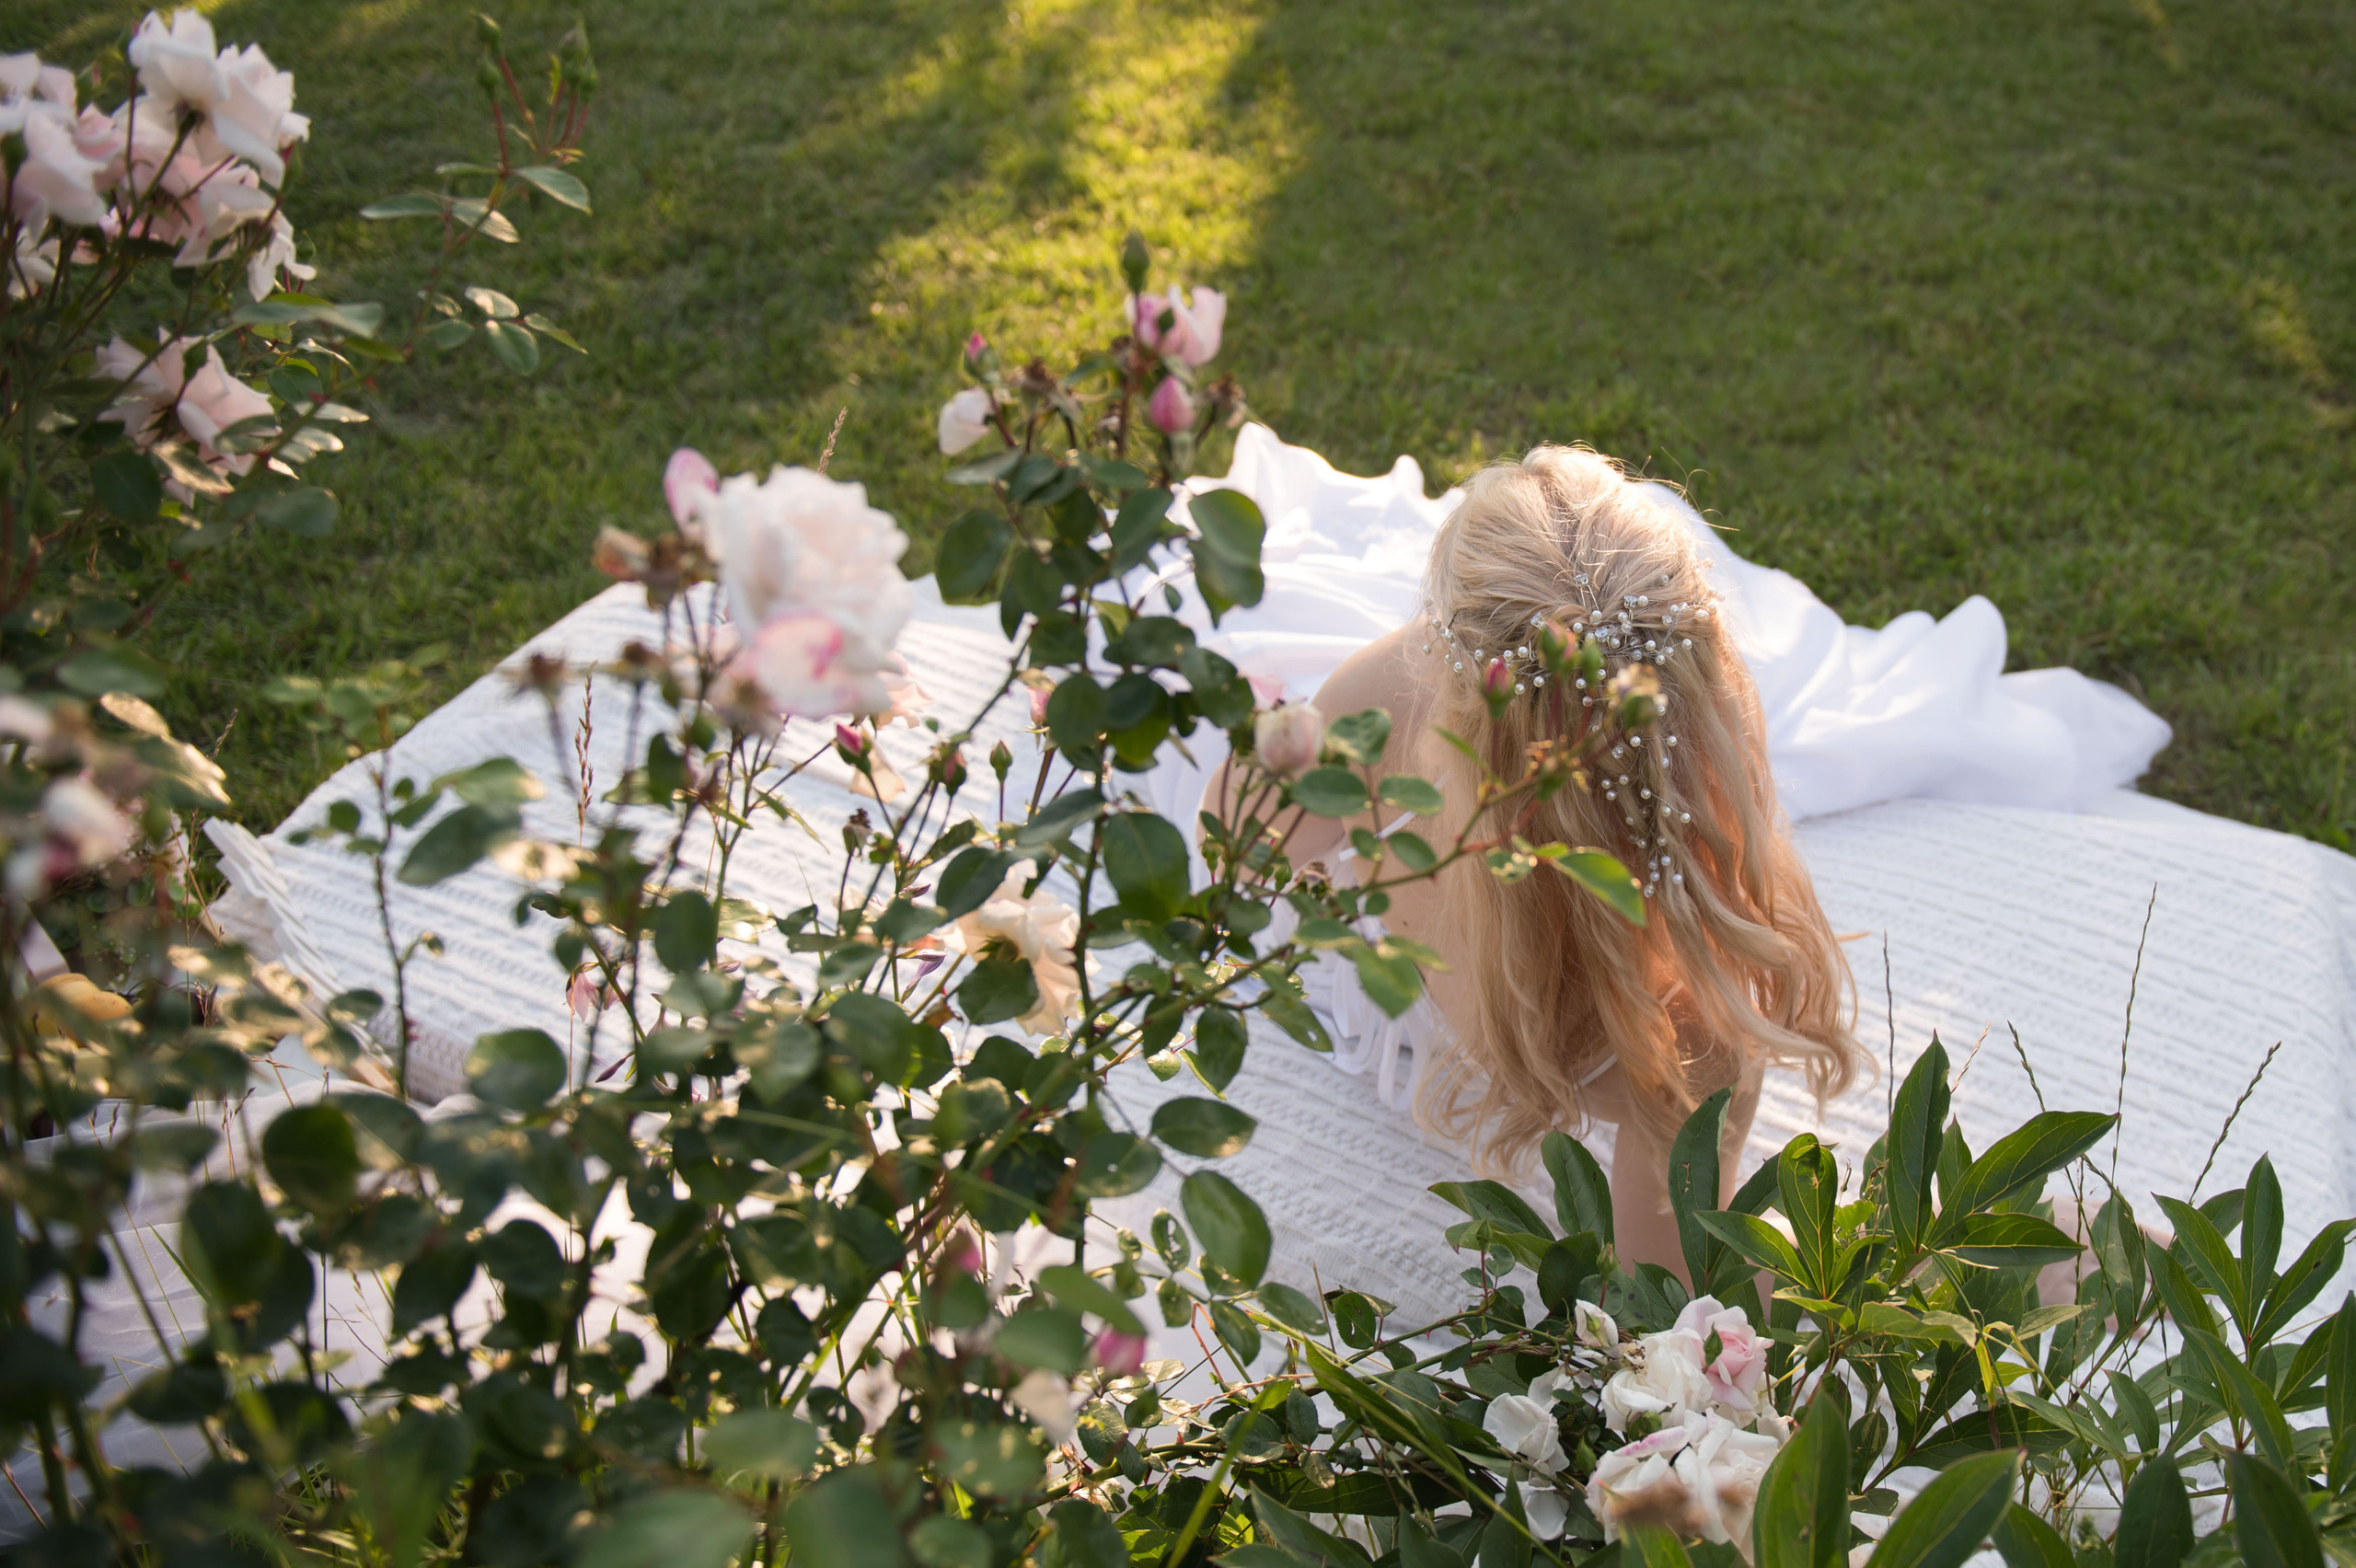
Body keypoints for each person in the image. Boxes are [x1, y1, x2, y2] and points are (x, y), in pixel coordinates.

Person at [1215, 444, 1869, 1275]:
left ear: (1455, 678)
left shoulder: (1383, 703)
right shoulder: (1699, 1036)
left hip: (1387, 967)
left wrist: (1298, 780)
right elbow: (1674, 1302)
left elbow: (1237, 832)